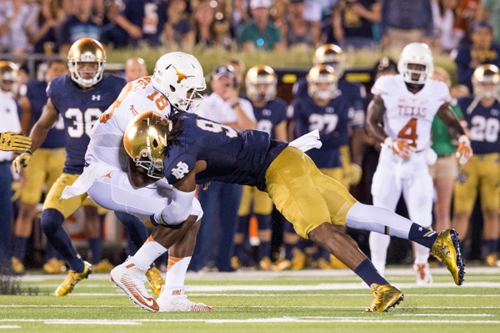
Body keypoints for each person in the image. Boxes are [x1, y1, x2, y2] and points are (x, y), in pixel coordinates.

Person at [123, 107, 466, 313]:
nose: (146, 161)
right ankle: (435, 240)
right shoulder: (183, 122)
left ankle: (380, 286)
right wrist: (208, 169)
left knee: (318, 229)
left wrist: (154, 215)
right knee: (356, 213)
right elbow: (213, 149)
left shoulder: (178, 160)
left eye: (144, 153)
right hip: (289, 156)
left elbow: (181, 213)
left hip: (276, 170)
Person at [61, 51, 212, 312]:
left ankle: (173, 294)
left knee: (194, 211)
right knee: (185, 209)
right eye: (188, 91)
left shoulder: (151, 88)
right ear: (173, 84)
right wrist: (187, 171)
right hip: (108, 175)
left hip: (120, 167)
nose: (190, 98)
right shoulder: (148, 106)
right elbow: (142, 172)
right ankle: (133, 268)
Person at [12, 38, 153, 296]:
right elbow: (43, 124)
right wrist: (28, 150)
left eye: (92, 65)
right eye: (82, 65)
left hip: (108, 169)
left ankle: (150, 268)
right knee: (49, 221)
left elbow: (137, 121)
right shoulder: (59, 88)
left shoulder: (116, 87)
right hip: (74, 172)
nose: (87, 70)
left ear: (101, 66)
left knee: (127, 217)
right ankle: (77, 266)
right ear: (72, 65)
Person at [366, 42, 472, 284]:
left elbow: (450, 119)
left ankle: (422, 264)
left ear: (429, 67)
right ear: (403, 65)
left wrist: (463, 139)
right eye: (411, 65)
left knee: (422, 217)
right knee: (380, 216)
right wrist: (391, 142)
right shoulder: (388, 85)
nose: (415, 70)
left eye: (420, 65)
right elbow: (371, 122)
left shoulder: (435, 89)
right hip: (390, 159)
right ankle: (378, 268)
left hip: (417, 160)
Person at [189, 65, 256, 272]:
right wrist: (234, 125)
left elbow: (251, 129)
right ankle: (199, 262)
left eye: (228, 79)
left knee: (231, 217)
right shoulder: (204, 103)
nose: (225, 83)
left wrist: (235, 106)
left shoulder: (242, 103)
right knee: (205, 216)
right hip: (210, 166)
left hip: (235, 166)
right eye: (221, 79)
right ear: (213, 82)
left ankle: (224, 262)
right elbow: (207, 130)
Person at [11, 60, 68, 275]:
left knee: (56, 210)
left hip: (62, 153)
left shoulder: (73, 90)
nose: (58, 73)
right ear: (47, 71)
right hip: (36, 153)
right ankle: (17, 257)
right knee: (27, 206)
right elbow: (24, 121)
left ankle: (53, 259)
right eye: (55, 69)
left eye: (62, 71)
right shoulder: (33, 89)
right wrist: (20, 150)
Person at [233, 65, 287, 270]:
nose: (262, 89)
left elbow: (282, 139)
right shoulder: (241, 103)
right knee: (240, 214)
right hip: (242, 165)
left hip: (264, 166)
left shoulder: (278, 106)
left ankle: (264, 256)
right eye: (258, 84)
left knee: (264, 214)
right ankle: (236, 256)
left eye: (266, 85)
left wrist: (280, 163)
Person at [452, 64, 500, 267]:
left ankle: (491, 253)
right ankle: (455, 254)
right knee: (462, 210)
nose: (487, 87)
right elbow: (453, 127)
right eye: (484, 83)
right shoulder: (464, 103)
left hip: (494, 160)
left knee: (493, 210)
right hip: (468, 162)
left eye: (491, 83)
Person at [428, 67, 463, 235]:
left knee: (443, 209)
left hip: (446, 157)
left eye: (440, 81)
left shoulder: (451, 107)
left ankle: (443, 254)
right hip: (425, 159)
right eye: (433, 81)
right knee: (421, 208)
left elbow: (462, 131)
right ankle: (422, 255)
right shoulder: (420, 105)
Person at [0, 62, 23, 270]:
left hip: (5, 166)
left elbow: (14, 138)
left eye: (11, 80)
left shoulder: (10, 102)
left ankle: (5, 262)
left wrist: (18, 169)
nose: (8, 84)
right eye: (5, 80)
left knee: (6, 215)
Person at [453, 21, 500, 92]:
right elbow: (461, 81)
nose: (482, 37)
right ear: (472, 36)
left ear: (491, 36)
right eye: (479, 33)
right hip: (471, 91)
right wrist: (472, 67)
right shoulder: (464, 52)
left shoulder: (497, 51)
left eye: (486, 33)